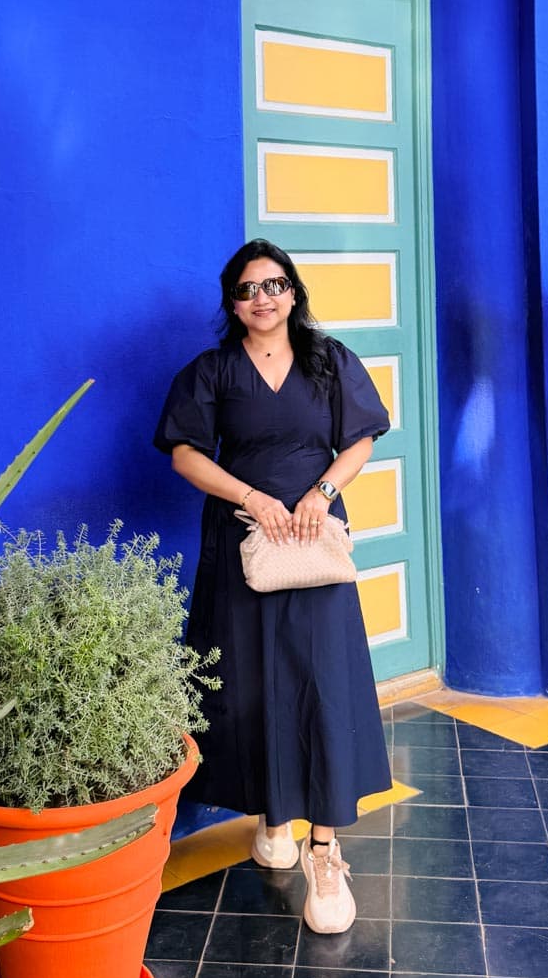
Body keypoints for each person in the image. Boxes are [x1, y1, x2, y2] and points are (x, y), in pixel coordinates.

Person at [154, 238, 392, 933]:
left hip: (314, 539)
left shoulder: (329, 360)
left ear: (294, 292)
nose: (264, 298)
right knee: (254, 685)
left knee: (322, 681)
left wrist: (321, 492)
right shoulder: (212, 371)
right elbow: (185, 454)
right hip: (245, 539)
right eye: (249, 288)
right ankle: (273, 819)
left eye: (275, 285)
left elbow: (361, 441)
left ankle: (324, 848)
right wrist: (253, 498)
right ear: (232, 302)